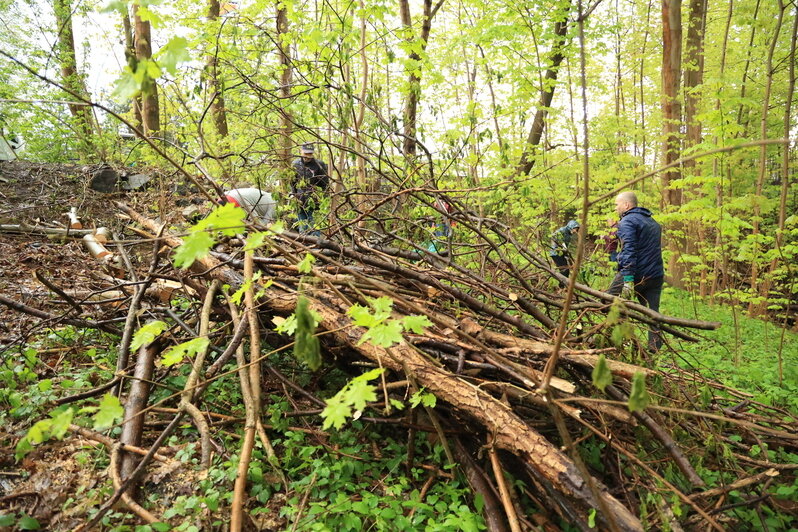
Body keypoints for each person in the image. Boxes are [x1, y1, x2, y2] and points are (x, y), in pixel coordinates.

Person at [606, 191, 664, 351]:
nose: (616, 208)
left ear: (626, 205)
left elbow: (628, 251)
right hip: (656, 275)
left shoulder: (627, 222)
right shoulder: (653, 222)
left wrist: (628, 279)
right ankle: (654, 350)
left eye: (617, 204)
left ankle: (614, 339)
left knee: (606, 300)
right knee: (652, 313)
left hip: (637, 273)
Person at [291, 143, 329, 234]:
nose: (307, 156)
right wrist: (294, 196)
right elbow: (292, 182)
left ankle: (316, 246)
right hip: (300, 200)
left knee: (314, 226)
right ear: (301, 151)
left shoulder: (319, 164)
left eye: (310, 154)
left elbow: (325, 184)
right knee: (302, 227)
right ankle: (304, 246)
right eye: (306, 153)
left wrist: (324, 199)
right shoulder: (295, 164)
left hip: (315, 200)